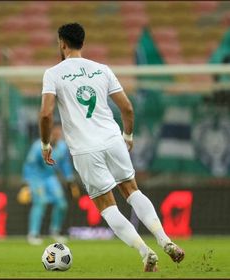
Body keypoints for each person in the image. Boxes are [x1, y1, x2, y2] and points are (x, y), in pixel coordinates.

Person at [39, 22, 185, 272]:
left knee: (107, 207)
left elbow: (45, 114)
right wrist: (128, 135)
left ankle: (145, 251)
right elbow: (127, 107)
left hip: (85, 149)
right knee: (132, 191)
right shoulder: (102, 70)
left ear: (62, 43)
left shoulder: (53, 73)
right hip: (112, 139)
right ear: (82, 43)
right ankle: (165, 240)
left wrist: (45, 144)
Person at [22, 124, 79, 245]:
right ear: (49, 132)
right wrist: (27, 184)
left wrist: (69, 179)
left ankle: (55, 232)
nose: (58, 135)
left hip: (50, 177)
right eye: (55, 132)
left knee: (62, 204)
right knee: (40, 202)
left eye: (59, 132)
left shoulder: (62, 147)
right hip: (36, 178)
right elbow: (29, 164)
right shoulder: (38, 146)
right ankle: (33, 233)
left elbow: (64, 164)